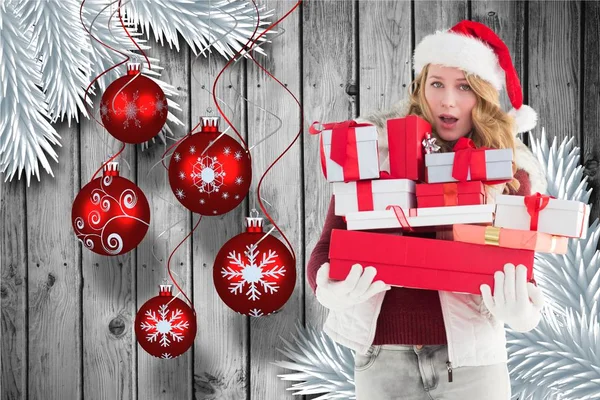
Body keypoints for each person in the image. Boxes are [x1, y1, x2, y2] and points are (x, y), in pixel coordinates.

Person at [307, 20, 547, 400]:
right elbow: (327, 244)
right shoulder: (375, 151)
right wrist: (329, 285)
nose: (447, 100)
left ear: (484, 97)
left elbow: (522, 268)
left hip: (472, 363)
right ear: (421, 87)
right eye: (437, 84)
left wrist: (522, 311)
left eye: (464, 86)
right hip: (381, 360)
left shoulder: (510, 172)